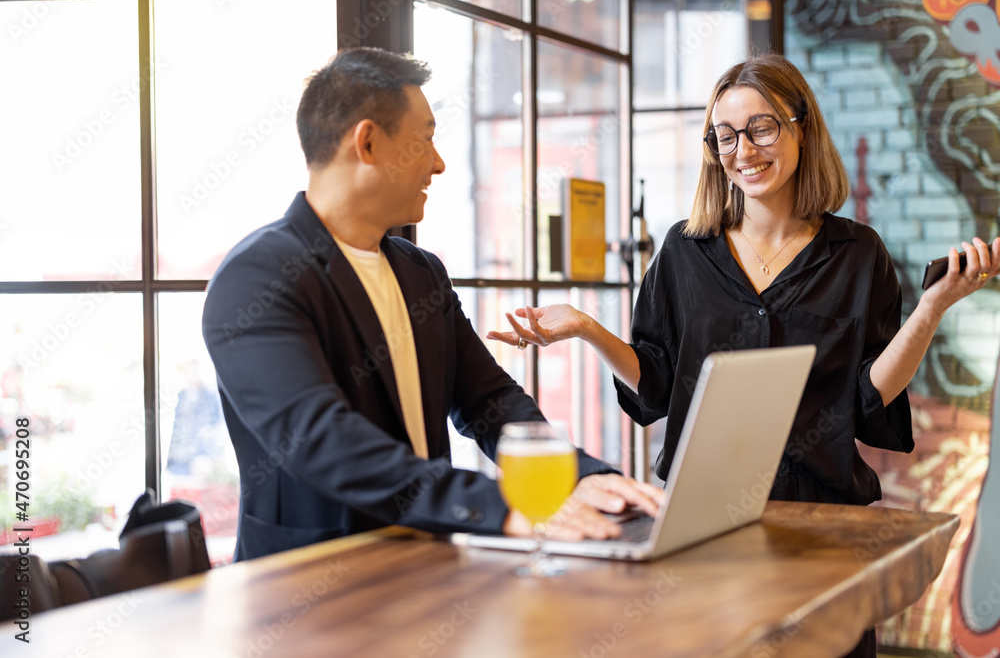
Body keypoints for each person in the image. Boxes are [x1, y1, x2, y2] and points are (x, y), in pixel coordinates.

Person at [487, 52, 999, 657]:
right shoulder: (682, 251)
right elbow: (655, 387)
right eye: (725, 135)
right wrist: (587, 328)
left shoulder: (858, 253)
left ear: (799, 127)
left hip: (824, 523)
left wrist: (933, 308)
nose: (744, 150)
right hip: (704, 525)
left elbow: (868, 397)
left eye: (762, 128)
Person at [202, 47, 661, 562]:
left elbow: (489, 401)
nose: (439, 163)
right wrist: (502, 507)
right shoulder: (256, 278)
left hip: (428, 566)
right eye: (426, 139)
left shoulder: (421, 271)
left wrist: (582, 478)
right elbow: (322, 440)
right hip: (307, 589)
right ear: (369, 142)